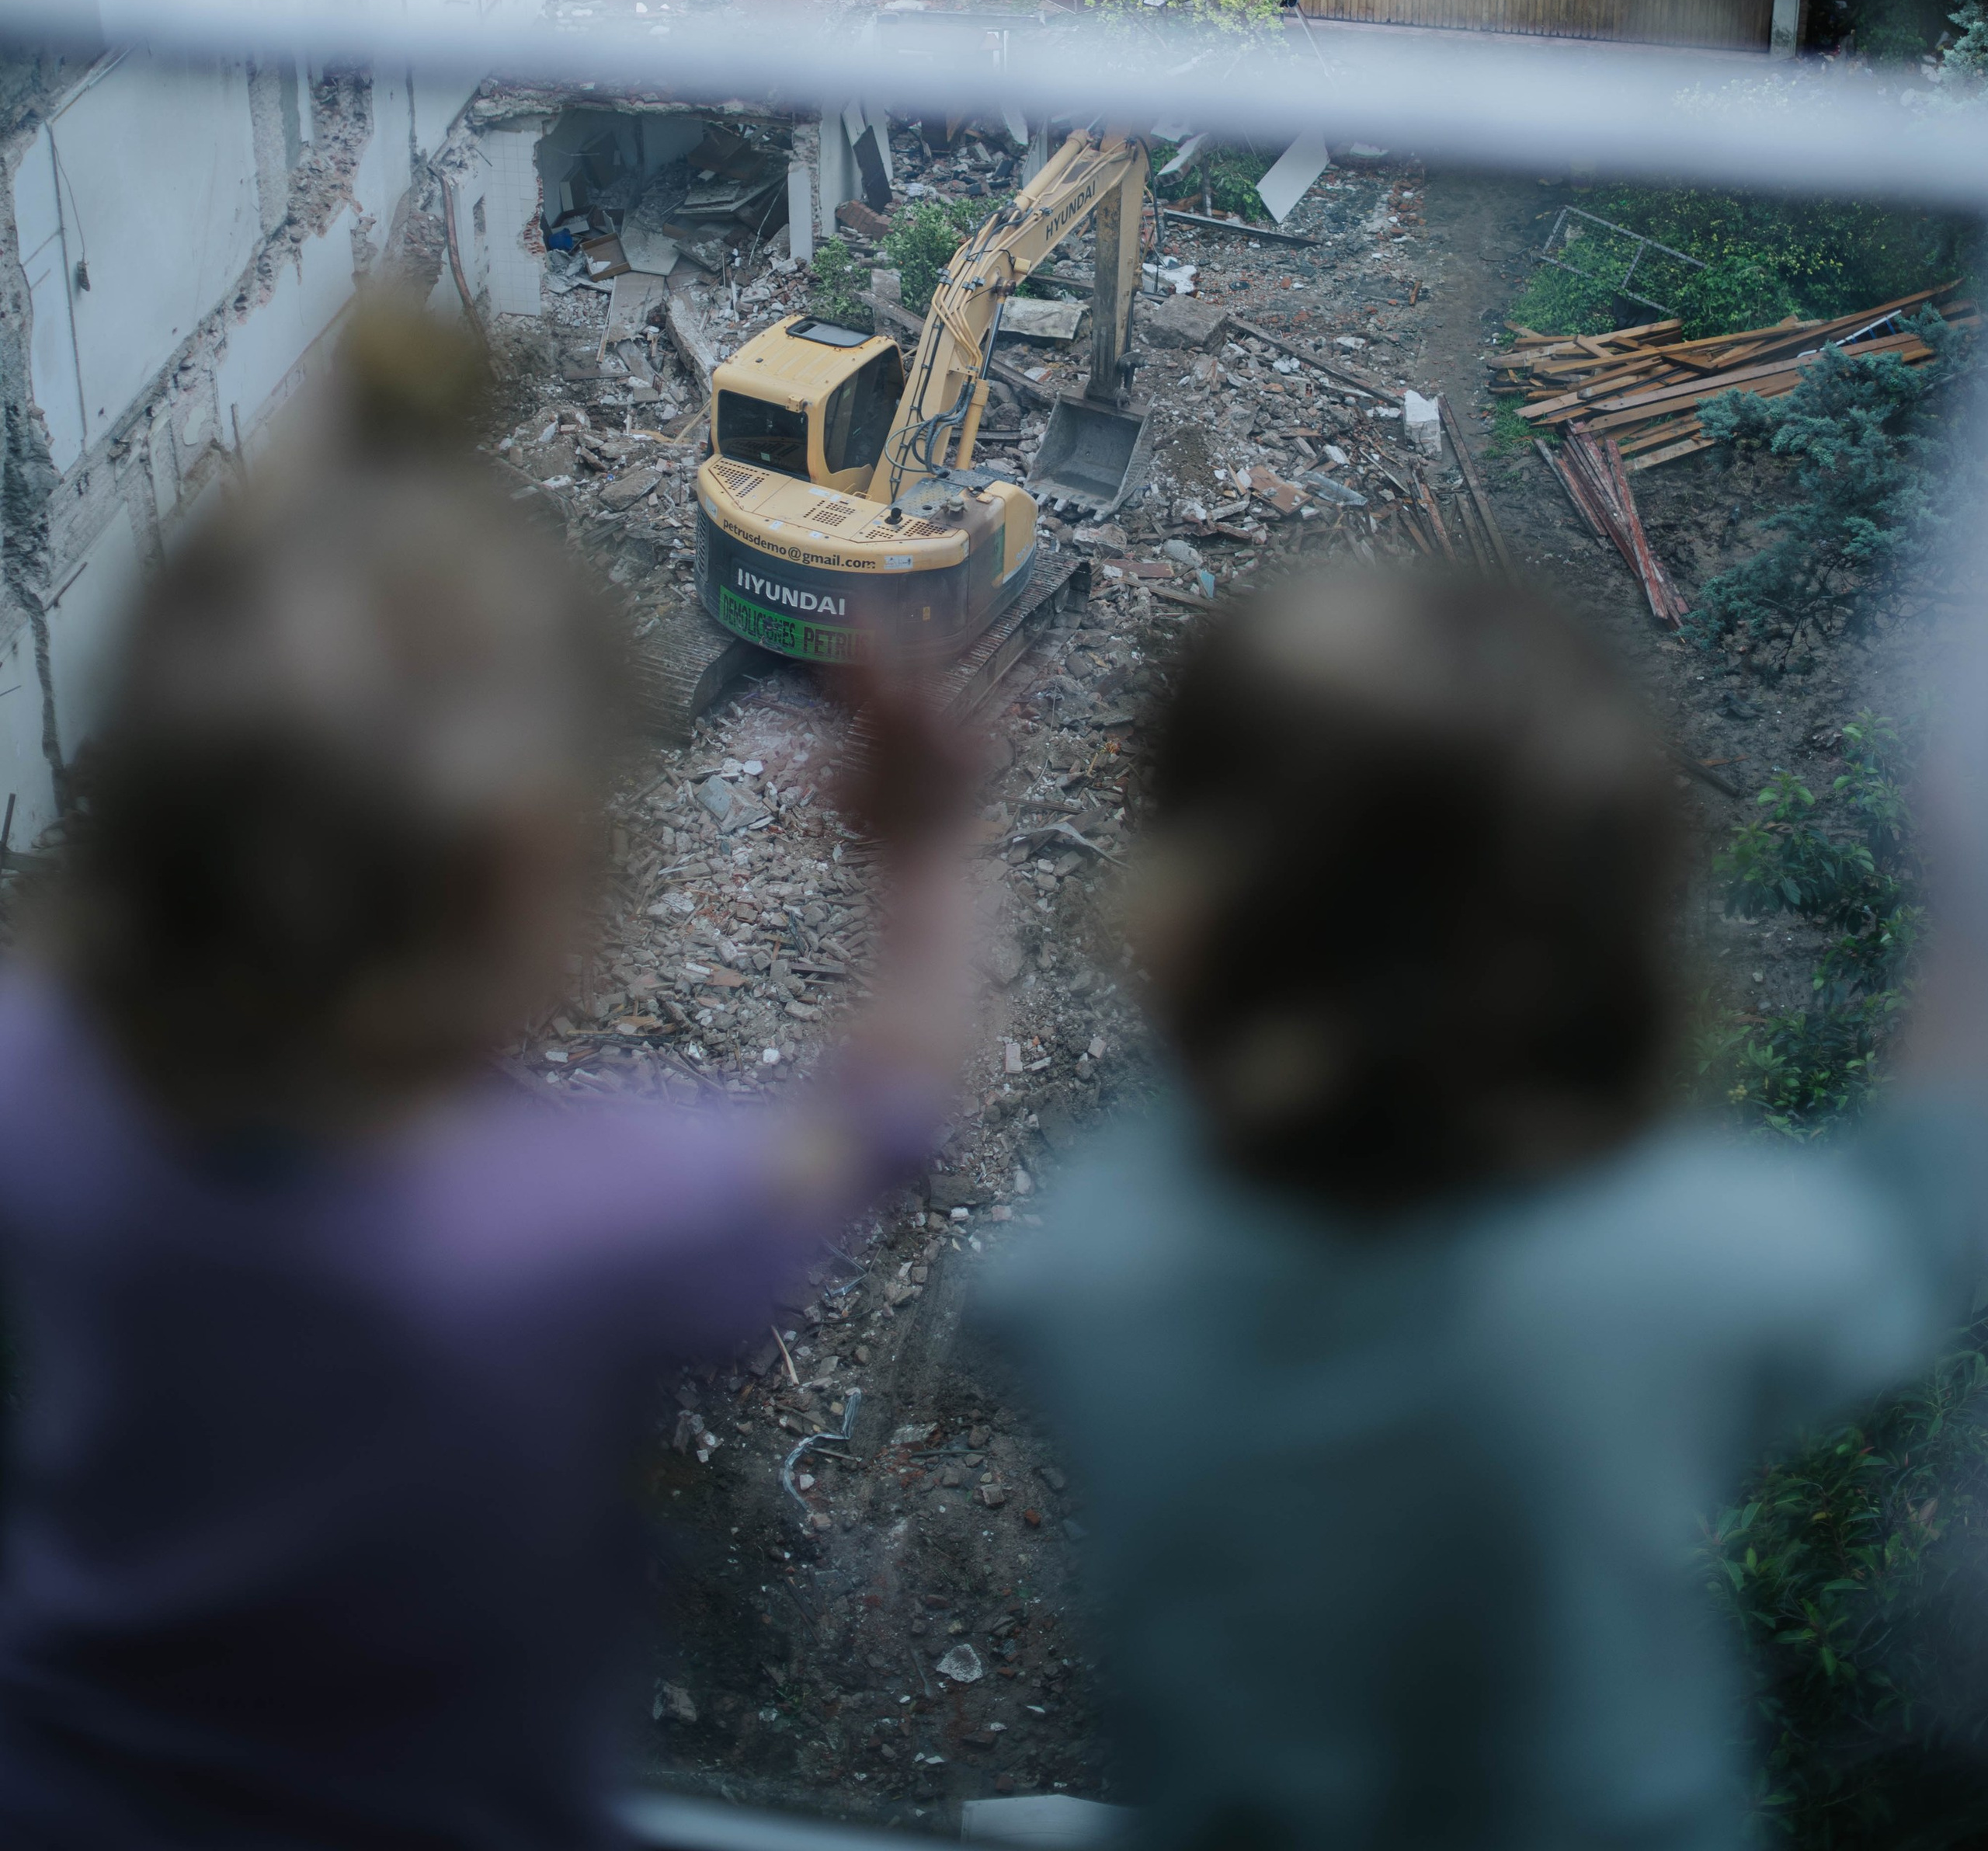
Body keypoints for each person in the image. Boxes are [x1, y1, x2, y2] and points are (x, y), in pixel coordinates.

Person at [0, 300, 977, 1850]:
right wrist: (921, 852)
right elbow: (878, 1115)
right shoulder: (579, 1218)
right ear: (536, 872)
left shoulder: (40, 1089)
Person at [982, 567, 1988, 1851]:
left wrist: (921, 854)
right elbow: (1916, 1230)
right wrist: (1965, 906)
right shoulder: (1669, 1266)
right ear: (1613, 929)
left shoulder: (1091, 1269)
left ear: (1193, 918)